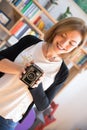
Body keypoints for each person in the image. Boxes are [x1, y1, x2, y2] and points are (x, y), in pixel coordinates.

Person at [0, 17, 87, 130]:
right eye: (63, 35)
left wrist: (36, 85)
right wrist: (19, 69)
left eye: (71, 43)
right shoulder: (30, 42)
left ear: (76, 47)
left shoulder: (62, 72)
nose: (64, 43)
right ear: (56, 31)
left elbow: (43, 105)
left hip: (8, 119)